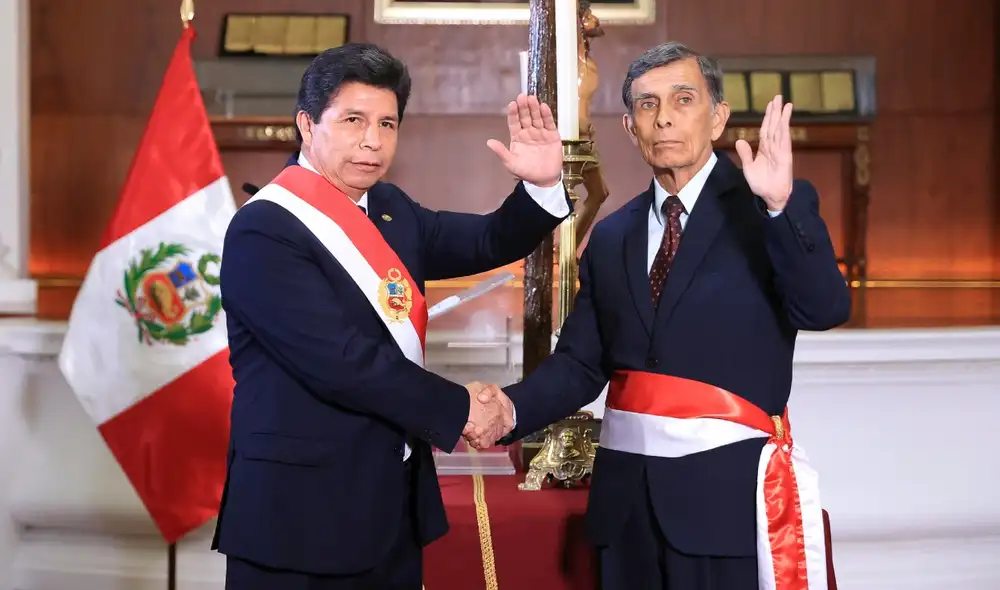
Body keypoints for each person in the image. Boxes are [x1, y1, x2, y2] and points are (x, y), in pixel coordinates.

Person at [467, 41, 851, 589]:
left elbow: (825, 308)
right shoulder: (613, 234)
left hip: (724, 511)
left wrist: (779, 208)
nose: (664, 117)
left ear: (717, 117)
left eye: (683, 99)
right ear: (629, 127)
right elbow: (581, 362)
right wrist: (508, 408)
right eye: (647, 105)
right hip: (626, 515)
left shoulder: (767, 208)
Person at [212, 42, 569, 589]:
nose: (373, 141)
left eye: (387, 122)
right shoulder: (265, 230)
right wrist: (461, 409)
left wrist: (542, 183)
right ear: (307, 124)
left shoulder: (391, 209)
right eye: (353, 120)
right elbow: (342, 362)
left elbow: (487, 239)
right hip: (300, 520)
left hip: (390, 509)